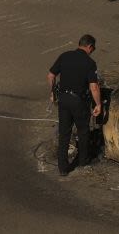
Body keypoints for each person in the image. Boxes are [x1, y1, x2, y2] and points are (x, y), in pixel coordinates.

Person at [47, 34, 101, 176]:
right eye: (93, 48)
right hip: (79, 101)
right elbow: (94, 87)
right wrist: (98, 104)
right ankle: (83, 160)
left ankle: (63, 167)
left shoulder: (64, 56)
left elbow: (51, 75)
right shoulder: (90, 63)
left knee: (64, 133)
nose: (92, 51)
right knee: (83, 131)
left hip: (63, 99)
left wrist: (52, 92)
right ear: (89, 46)